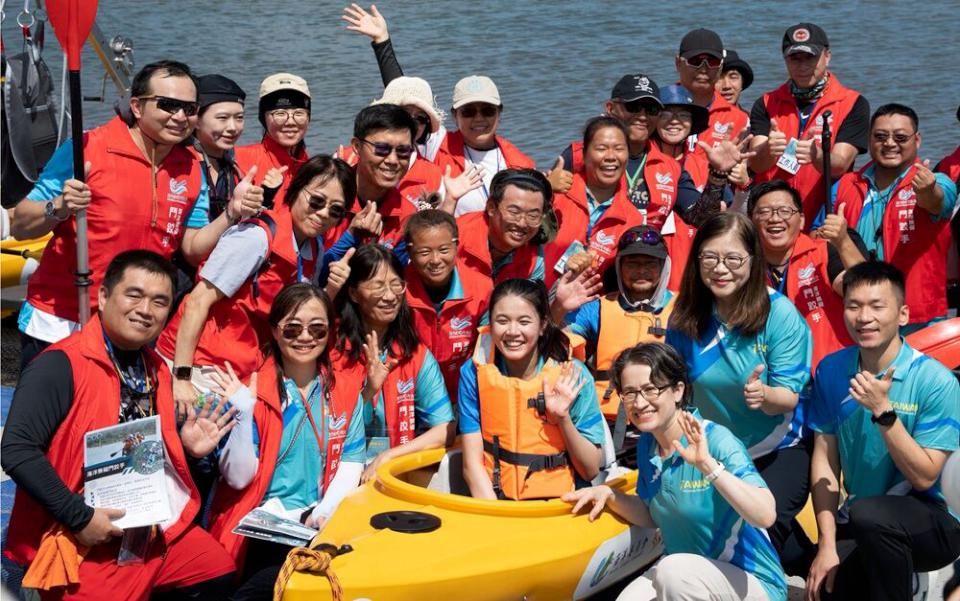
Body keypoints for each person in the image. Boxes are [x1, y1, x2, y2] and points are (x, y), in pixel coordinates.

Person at [1, 250, 237, 600]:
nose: (146, 310)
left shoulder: (155, 367)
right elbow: (16, 450)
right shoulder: (61, 364)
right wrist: (80, 518)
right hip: (80, 533)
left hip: (146, 526)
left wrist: (186, 449)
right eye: (134, 295)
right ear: (103, 296)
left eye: (159, 301)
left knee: (215, 570)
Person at [11, 60, 252, 367]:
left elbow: (192, 248)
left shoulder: (190, 166)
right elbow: (21, 225)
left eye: (190, 109)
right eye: (168, 105)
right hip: (64, 319)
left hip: (137, 323)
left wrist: (231, 213)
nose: (180, 117)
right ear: (137, 107)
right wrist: (58, 207)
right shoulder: (88, 148)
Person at [564, 342, 785, 601]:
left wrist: (707, 466)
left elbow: (765, 515)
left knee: (673, 572)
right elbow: (652, 514)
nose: (640, 402)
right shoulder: (648, 445)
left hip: (752, 581)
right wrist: (610, 495)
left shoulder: (715, 440)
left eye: (650, 389)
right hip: (683, 575)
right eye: (630, 393)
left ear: (678, 390)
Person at [806, 261, 960, 601]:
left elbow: (924, 477)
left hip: (936, 520)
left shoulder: (936, 381)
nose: (864, 317)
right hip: (864, 516)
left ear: (903, 315)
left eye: (877, 306)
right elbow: (825, 461)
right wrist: (826, 546)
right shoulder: (831, 370)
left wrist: (883, 412)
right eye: (854, 306)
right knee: (827, 587)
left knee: (872, 515)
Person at [666, 212, 813, 566]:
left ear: (753, 259)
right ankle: (823, 569)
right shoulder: (685, 316)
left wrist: (765, 396)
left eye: (733, 259)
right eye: (710, 258)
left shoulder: (779, 314)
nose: (721, 269)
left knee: (754, 533)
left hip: (777, 449)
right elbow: (673, 389)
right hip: (715, 449)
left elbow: (788, 397)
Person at [157, 155, 356, 414]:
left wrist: (331, 290)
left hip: (243, 365)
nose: (323, 214)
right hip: (200, 362)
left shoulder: (314, 247)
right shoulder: (256, 238)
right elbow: (197, 301)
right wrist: (181, 377)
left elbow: (300, 314)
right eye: (316, 201)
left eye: (335, 210)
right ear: (296, 190)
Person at [205, 284, 366, 600]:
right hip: (259, 525)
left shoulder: (346, 390)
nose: (305, 337)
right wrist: (243, 414)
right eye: (293, 328)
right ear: (275, 331)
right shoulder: (251, 390)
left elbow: (351, 460)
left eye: (317, 329)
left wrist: (324, 512)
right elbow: (237, 478)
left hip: (319, 519)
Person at [545, 115, 748, 289]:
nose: (610, 156)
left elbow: (702, 218)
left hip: (589, 306)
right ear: (583, 154)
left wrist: (718, 174)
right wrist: (543, 188)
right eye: (601, 148)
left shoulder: (632, 218)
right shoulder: (554, 192)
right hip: (537, 297)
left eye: (619, 149)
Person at [459, 278, 605, 500]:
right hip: (496, 502)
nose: (512, 331)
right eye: (502, 321)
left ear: (542, 325)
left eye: (524, 321)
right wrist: (496, 514)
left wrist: (563, 419)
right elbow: (472, 466)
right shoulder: (473, 373)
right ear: (491, 324)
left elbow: (590, 469)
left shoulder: (573, 374)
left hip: (561, 504)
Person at [332, 244, 456, 482]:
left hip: (392, 477)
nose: (389, 296)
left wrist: (389, 456)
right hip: (336, 477)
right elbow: (325, 427)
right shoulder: (333, 350)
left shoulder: (414, 354)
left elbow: (445, 429)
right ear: (354, 293)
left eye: (396, 285)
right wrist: (368, 391)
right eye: (378, 286)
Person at [834, 104, 958, 332]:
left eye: (900, 137)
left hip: (919, 318)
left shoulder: (938, 180)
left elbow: (936, 201)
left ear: (917, 140)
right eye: (880, 136)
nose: (890, 143)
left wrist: (926, 190)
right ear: (869, 139)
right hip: (863, 314)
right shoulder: (845, 185)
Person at [551, 225, 676, 431]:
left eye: (650, 264)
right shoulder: (596, 308)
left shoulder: (683, 309)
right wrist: (559, 307)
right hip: (606, 421)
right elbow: (553, 343)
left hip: (664, 422)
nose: (641, 271)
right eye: (632, 264)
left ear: (664, 266)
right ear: (619, 267)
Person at [749, 23, 870, 225]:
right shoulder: (765, 103)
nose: (802, 66)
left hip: (825, 216)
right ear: (785, 60)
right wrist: (769, 149)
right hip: (774, 217)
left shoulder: (853, 103)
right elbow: (756, 164)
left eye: (810, 57)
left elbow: (841, 164)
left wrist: (817, 156)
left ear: (827, 56)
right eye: (795, 58)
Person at [748, 180, 866, 370]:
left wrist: (843, 241)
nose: (775, 218)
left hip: (832, 372)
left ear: (802, 220)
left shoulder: (824, 253)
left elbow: (865, 292)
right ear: (751, 221)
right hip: (772, 375)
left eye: (785, 211)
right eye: (764, 212)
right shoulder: (744, 265)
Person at [403, 210, 492, 401]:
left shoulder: (482, 288)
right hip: (409, 393)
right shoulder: (397, 290)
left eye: (444, 250)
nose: (436, 260)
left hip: (461, 393)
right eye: (424, 252)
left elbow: (486, 353)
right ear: (409, 251)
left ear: (456, 246)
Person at [341, 4, 446, 160]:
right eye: (404, 114)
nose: (412, 122)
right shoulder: (351, 157)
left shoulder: (431, 153)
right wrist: (382, 42)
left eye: (421, 118)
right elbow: (398, 94)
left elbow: (402, 94)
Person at [435, 75, 536, 216]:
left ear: (499, 113)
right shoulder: (435, 150)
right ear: (454, 115)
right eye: (468, 112)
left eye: (487, 111)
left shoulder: (522, 165)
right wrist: (449, 201)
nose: (479, 118)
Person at [457, 168, 551, 284]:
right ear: (491, 207)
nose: (522, 223)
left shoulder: (534, 256)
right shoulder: (457, 237)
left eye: (533, 216)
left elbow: (533, 294)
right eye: (514, 212)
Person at [234, 72, 311, 201]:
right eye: (280, 114)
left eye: (299, 113)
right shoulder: (239, 159)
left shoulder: (311, 167)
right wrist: (265, 197)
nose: (290, 122)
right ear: (263, 118)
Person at [674, 29, 750, 157]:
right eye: (695, 61)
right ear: (678, 63)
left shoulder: (740, 119)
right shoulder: (657, 107)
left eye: (712, 62)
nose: (703, 69)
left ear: (720, 67)